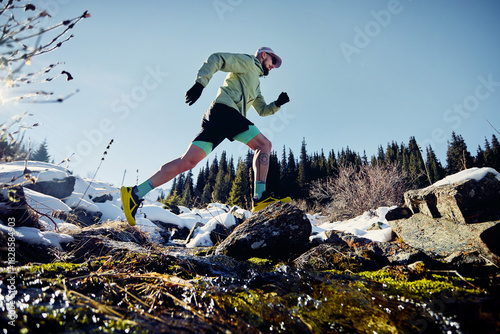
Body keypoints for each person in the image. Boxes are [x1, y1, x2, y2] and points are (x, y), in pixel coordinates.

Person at [120, 47, 290, 226]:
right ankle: (260, 197)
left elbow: (262, 110)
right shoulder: (248, 62)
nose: (273, 67)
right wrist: (200, 83)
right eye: (273, 62)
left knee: (187, 162)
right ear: (264, 55)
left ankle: (135, 193)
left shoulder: (255, 83)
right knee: (264, 145)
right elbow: (218, 58)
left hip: (218, 117)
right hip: (225, 111)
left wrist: (277, 104)